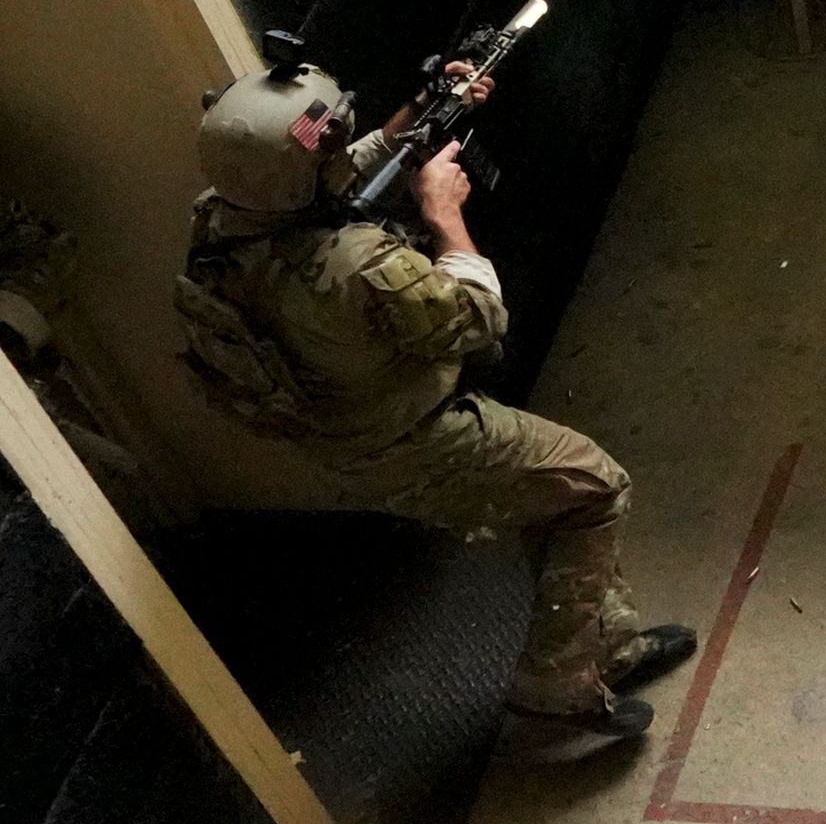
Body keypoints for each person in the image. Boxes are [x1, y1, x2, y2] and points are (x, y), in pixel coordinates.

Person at [177, 51, 692, 739]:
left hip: (346, 435)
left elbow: (334, 170)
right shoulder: (359, 266)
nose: (342, 145)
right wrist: (444, 214)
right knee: (596, 488)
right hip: (421, 442)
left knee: (551, 498)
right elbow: (478, 321)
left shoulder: (221, 221)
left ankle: (611, 642)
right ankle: (554, 683)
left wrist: (422, 111)